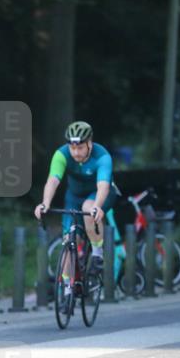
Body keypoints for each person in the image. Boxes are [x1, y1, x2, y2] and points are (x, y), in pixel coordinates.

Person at [33, 121, 119, 292]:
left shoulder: (102, 157)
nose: (76, 152)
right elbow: (53, 180)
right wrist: (45, 203)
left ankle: (97, 254)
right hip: (74, 197)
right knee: (69, 241)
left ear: (89, 144)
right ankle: (66, 288)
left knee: (89, 208)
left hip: (100, 194)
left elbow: (103, 185)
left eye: (80, 148)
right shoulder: (61, 155)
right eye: (72, 148)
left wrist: (97, 206)